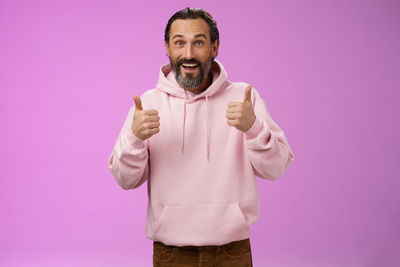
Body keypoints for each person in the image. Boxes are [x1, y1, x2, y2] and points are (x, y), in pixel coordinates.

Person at [108, 7, 294, 267]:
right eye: (179, 43)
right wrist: (134, 139)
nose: (189, 54)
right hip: (171, 253)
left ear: (215, 47)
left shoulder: (244, 98)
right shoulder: (148, 104)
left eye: (198, 42)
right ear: (167, 47)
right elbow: (126, 180)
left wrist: (253, 127)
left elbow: (276, 168)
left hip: (231, 251)